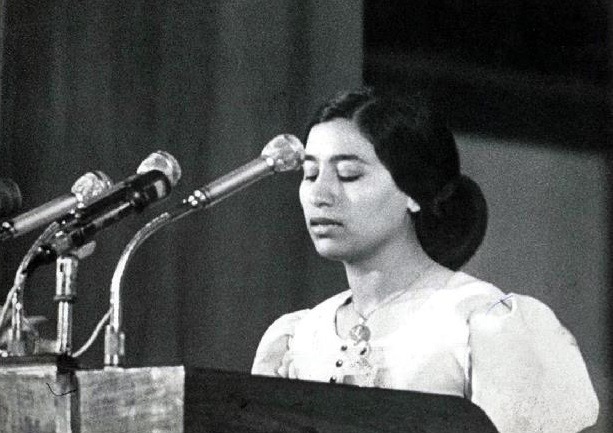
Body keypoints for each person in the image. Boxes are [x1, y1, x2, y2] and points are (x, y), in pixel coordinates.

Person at [251, 88, 599, 433]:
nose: (319, 194)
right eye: (310, 174)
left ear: (413, 192)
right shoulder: (298, 336)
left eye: (348, 174)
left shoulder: (481, 322)